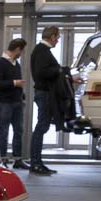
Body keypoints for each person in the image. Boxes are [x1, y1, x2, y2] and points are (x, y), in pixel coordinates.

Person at [29, 26, 82, 175]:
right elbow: (43, 72)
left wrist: (69, 77)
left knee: (42, 127)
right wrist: (60, 71)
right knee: (41, 127)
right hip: (44, 94)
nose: (58, 40)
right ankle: (35, 163)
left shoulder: (42, 51)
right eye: (57, 37)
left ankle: (38, 162)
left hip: (45, 93)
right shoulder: (42, 51)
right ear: (52, 36)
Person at [0, 38, 28, 169]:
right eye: (22, 50)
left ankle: (18, 159)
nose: (22, 53)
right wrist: (14, 83)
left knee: (18, 130)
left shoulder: (15, 64)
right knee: (4, 131)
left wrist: (21, 96)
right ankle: (4, 159)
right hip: (4, 103)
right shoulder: (0, 64)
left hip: (17, 102)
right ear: (17, 49)